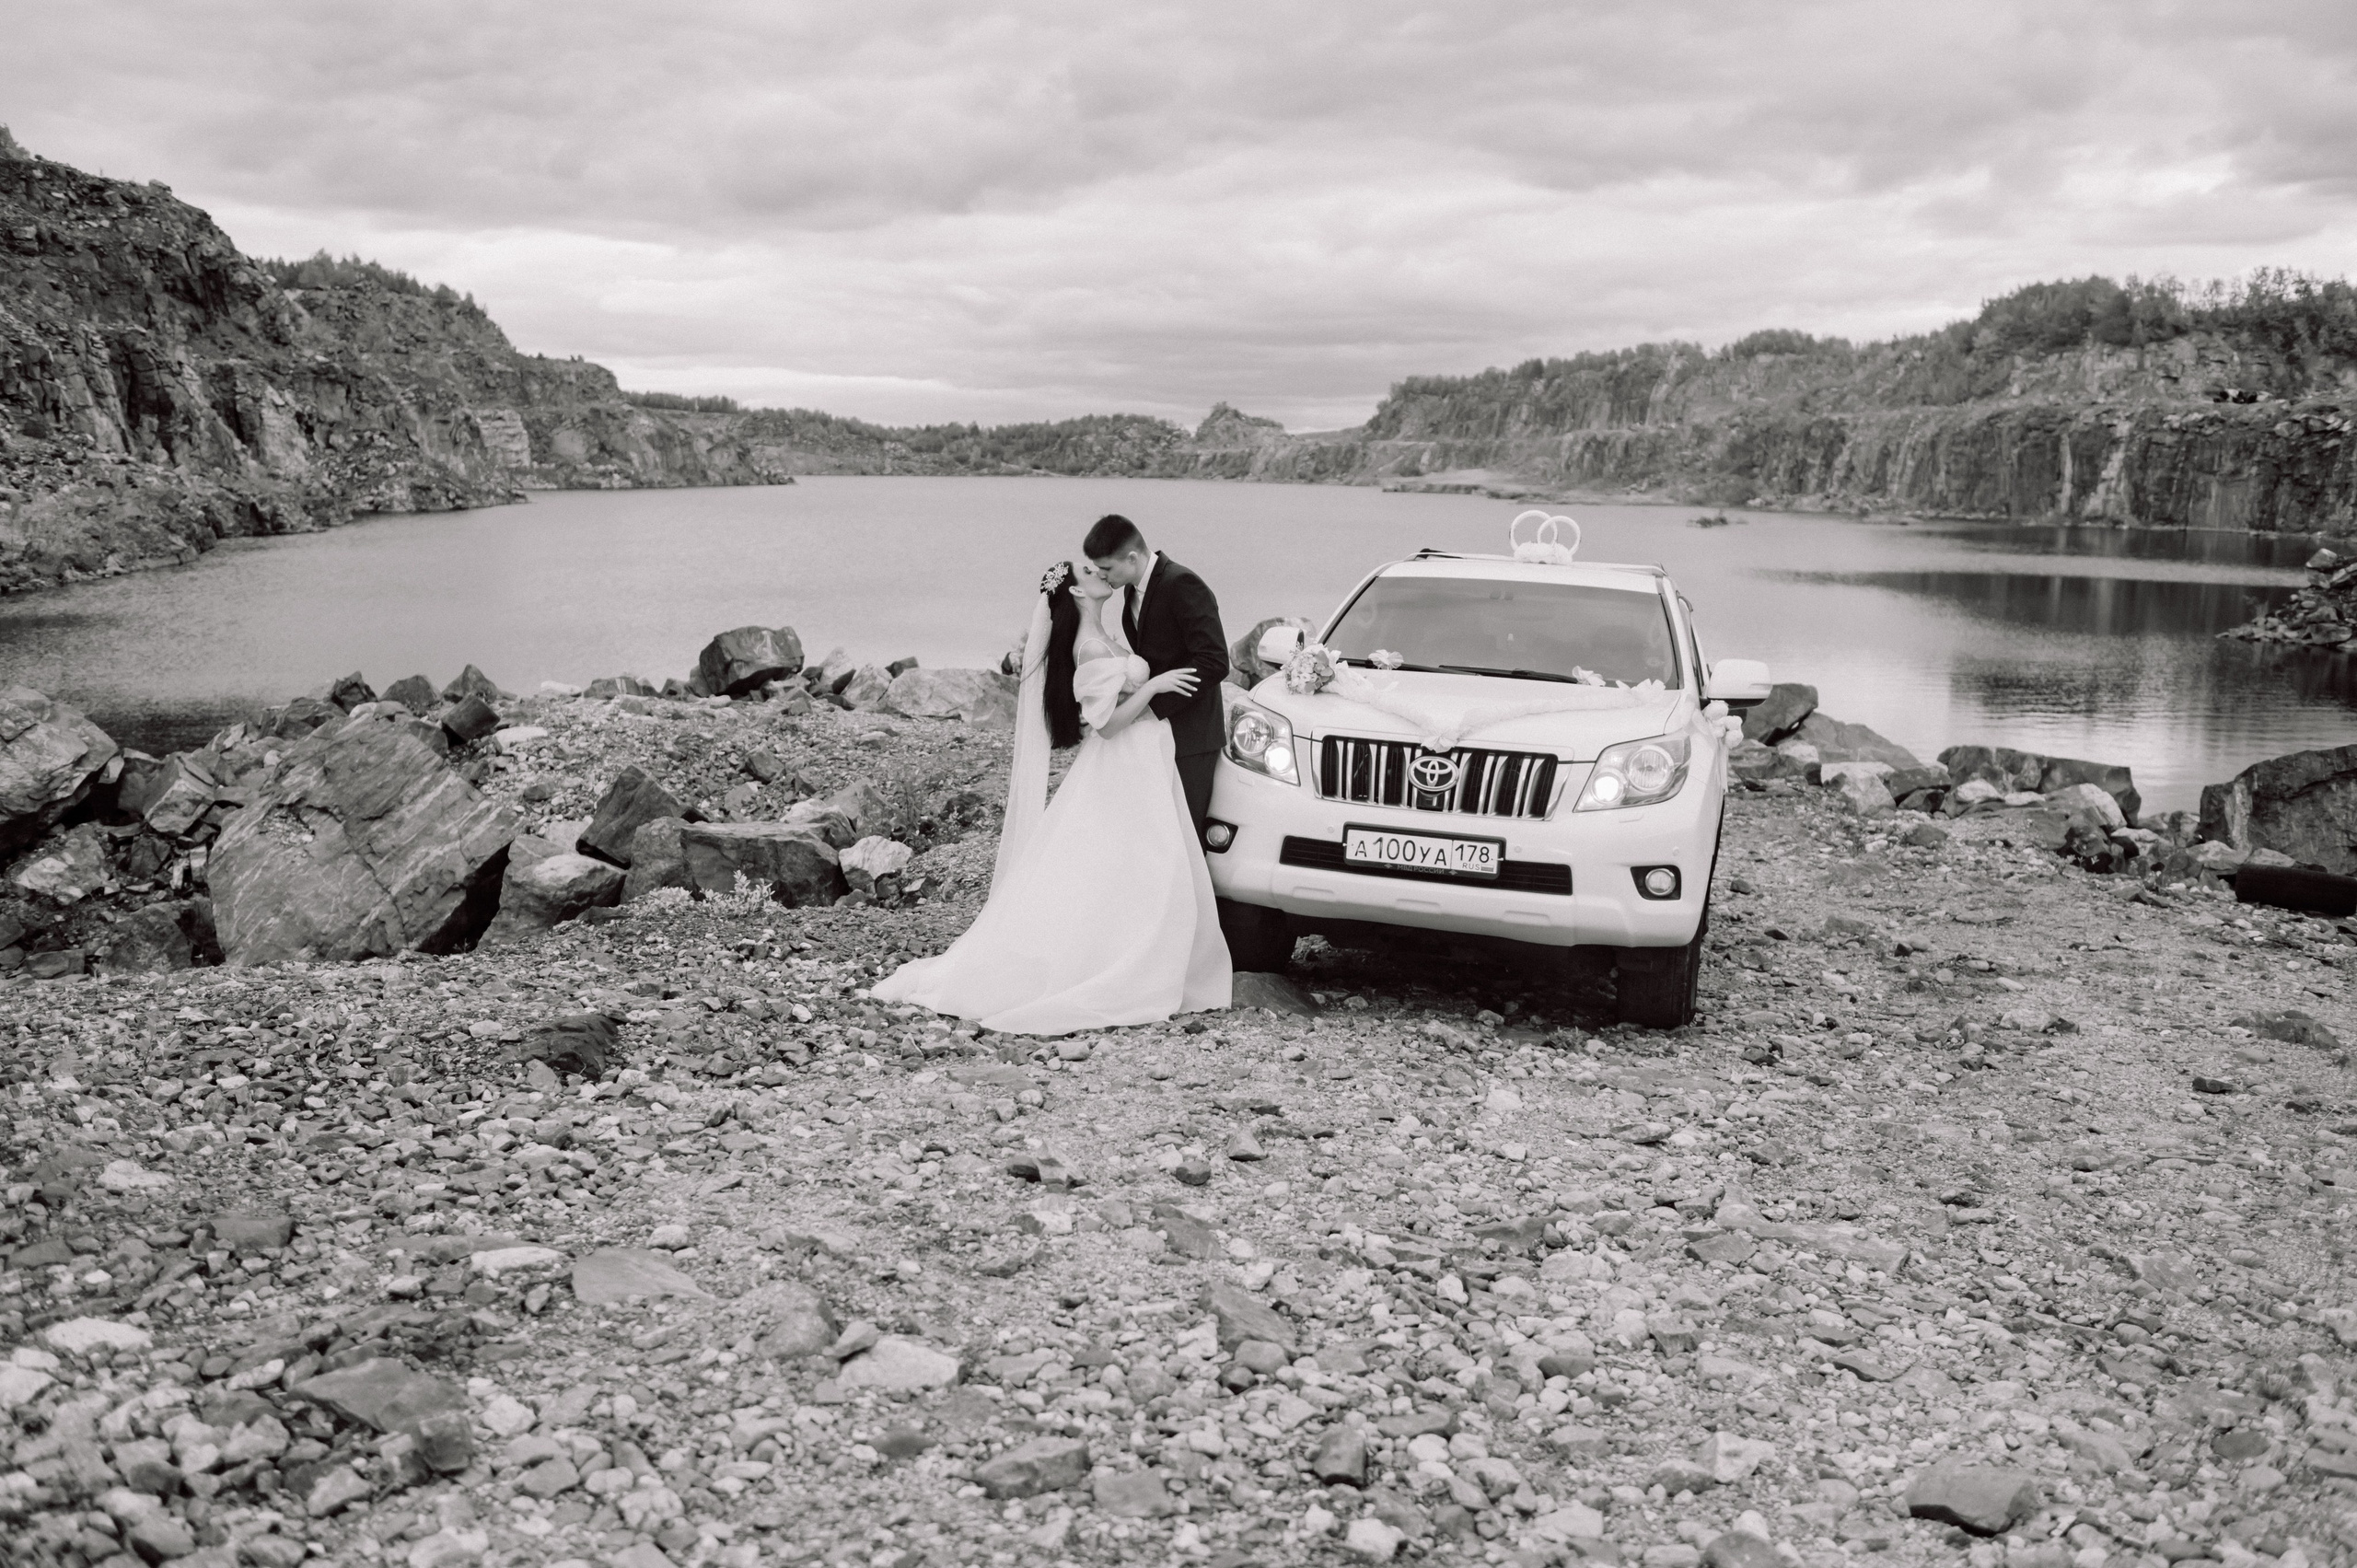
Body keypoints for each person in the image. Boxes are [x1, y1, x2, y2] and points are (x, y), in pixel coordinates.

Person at [870, 557, 1233, 1035]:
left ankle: (1139, 954)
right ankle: (1123, 964)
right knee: (1142, 860)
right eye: (1089, 572)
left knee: (1129, 864)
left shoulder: (1107, 631)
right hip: (1123, 759)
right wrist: (1158, 686)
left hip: (1143, 759)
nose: (1100, 573)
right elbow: (1106, 726)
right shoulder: (1087, 648)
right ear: (1078, 594)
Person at [1082, 515, 1230, 842]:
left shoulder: (1181, 583)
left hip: (1191, 736)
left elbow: (1215, 661)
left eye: (1107, 568)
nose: (1102, 576)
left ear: (1132, 557)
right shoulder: (1130, 592)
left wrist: (1153, 705)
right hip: (1155, 737)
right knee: (1158, 836)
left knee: (1185, 837)